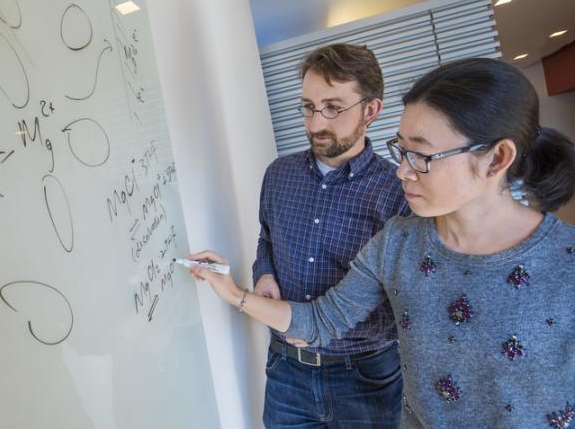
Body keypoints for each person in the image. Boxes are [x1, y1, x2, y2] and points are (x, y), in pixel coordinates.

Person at [190, 57, 575, 428]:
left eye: (421, 155)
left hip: (367, 374)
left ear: (496, 160)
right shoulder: (398, 243)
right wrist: (233, 291)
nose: (403, 171)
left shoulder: (565, 264)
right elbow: (321, 320)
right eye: (401, 150)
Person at [252, 43, 409, 428]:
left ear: (370, 110)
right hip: (286, 369)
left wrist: (315, 325)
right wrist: (264, 273)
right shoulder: (278, 174)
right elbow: (267, 239)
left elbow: (406, 294)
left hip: (367, 376)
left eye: (333, 107)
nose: (316, 123)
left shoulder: (399, 190)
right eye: (308, 106)